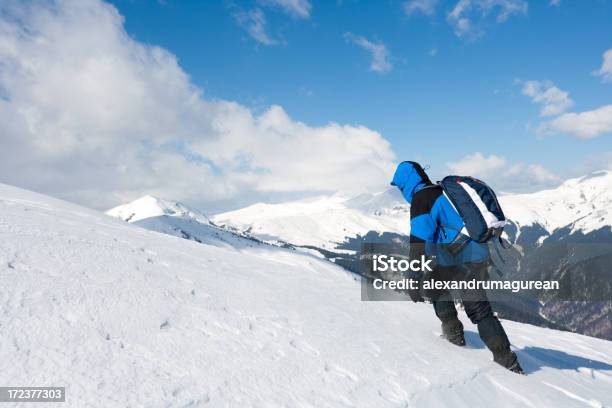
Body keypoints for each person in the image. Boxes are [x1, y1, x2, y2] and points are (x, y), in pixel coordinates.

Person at [390, 161, 524, 374]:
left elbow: (418, 244)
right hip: (478, 254)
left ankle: (455, 336)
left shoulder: (421, 199)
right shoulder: (440, 190)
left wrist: (413, 279)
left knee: (439, 290)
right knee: (477, 308)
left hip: (459, 258)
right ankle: (508, 361)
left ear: (406, 183)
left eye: (399, 187)